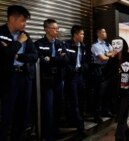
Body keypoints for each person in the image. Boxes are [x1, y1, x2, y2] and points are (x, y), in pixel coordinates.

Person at [0, 5, 38, 141]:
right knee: (6, 114)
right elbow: (4, 55)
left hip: (24, 77)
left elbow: (34, 56)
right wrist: (18, 43)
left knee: (22, 114)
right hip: (8, 79)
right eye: (23, 20)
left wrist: (17, 56)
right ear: (11, 19)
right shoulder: (1, 33)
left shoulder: (25, 35)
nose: (25, 24)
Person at [35, 19, 66, 141]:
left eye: (57, 28)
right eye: (54, 28)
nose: (56, 30)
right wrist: (57, 59)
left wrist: (51, 59)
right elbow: (41, 62)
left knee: (58, 106)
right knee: (47, 107)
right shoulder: (39, 43)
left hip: (58, 80)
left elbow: (65, 60)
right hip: (46, 80)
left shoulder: (60, 43)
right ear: (46, 29)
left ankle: (56, 130)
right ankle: (47, 134)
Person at [108, 36, 129, 141]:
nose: (116, 46)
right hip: (114, 92)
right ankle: (126, 134)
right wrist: (111, 58)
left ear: (123, 44)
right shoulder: (112, 58)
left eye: (119, 44)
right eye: (114, 44)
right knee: (121, 117)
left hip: (127, 92)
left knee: (122, 117)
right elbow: (105, 72)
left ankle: (119, 137)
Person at [64, 25, 86, 135]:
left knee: (81, 101)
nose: (83, 36)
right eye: (81, 34)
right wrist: (72, 70)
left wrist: (83, 68)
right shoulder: (67, 45)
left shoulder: (83, 46)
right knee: (74, 101)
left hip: (80, 76)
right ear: (75, 35)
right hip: (71, 77)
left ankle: (77, 122)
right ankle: (80, 126)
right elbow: (65, 61)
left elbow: (85, 61)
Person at [91, 27, 114, 123]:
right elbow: (102, 58)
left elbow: (114, 54)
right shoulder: (95, 45)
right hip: (99, 70)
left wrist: (108, 54)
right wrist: (108, 55)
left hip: (108, 70)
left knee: (107, 93)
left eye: (105, 31)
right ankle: (97, 115)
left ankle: (105, 111)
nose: (105, 33)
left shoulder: (107, 44)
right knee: (99, 94)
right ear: (98, 34)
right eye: (103, 32)